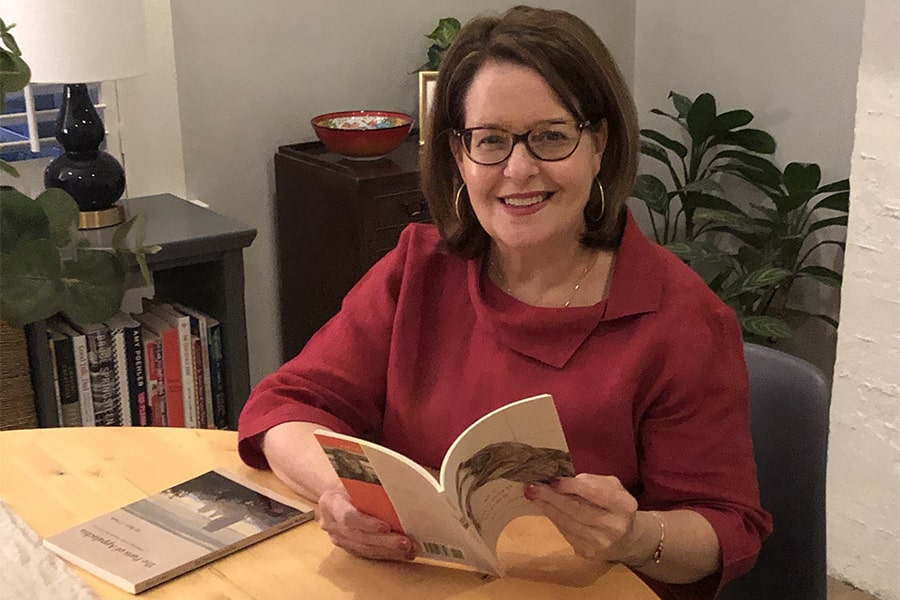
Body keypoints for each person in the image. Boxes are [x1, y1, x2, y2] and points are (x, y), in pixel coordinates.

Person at [238, 6, 772, 599]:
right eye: (490, 140)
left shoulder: (681, 321)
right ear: (459, 156)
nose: (518, 169)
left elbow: (727, 530)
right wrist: (338, 492)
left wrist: (635, 535)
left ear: (599, 145)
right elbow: (284, 408)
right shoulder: (419, 268)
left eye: (550, 137)